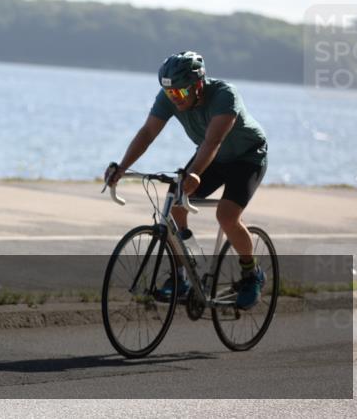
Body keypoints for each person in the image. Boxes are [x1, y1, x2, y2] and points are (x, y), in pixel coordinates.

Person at [105, 51, 268, 309]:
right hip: (212, 156)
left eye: (180, 93)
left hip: (246, 157)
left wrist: (194, 173)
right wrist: (122, 167)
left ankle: (252, 273)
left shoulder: (225, 96)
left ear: (198, 85)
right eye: (170, 94)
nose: (174, 99)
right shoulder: (170, 95)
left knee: (226, 216)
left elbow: (213, 141)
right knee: (176, 206)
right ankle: (185, 272)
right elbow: (148, 132)